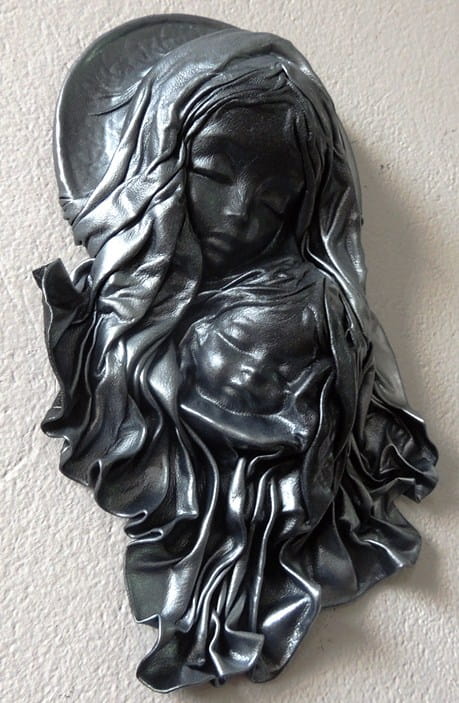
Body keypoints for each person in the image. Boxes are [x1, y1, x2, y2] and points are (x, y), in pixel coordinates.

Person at [35, 27, 437, 692]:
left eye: (277, 189)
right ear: (156, 172)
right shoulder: (114, 337)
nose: (243, 210)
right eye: (214, 173)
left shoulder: (313, 308)